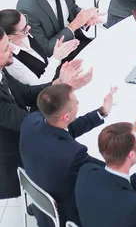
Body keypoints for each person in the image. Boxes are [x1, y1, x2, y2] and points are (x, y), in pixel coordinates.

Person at [0, 27, 92, 200]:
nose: (12, 49)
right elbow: (28, 123)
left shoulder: (2, 68)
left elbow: (25, 92)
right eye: (6, 49)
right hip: (14, 155)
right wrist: (64, 91)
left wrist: (57, 83)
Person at [19, 84, 119, 227]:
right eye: (76, 102)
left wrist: (101, 112)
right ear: (66, 116)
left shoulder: (30, 122)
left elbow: (64, 130)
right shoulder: (73, 154)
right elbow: (111, 174)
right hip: (68, 216)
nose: (78, 104)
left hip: (41, 201)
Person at [0, 9, 78, 85]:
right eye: (24, 29)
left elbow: (44, 62)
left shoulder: (26, 36)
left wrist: (59, 53)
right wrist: (56, 58)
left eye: (26, 21)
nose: (29, 27)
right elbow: (38, 85)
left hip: (56, 77)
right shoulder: (12, 60)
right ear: (9, 36)